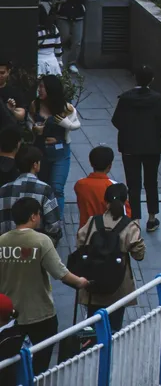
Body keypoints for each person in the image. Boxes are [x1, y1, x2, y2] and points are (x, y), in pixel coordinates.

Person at [0, 197, 90, 375]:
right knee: (40, 367)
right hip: (40, 315)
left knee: (8, 366)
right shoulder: (41, 241)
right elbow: (61, 273)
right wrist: (81, 282)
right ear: (33, 216)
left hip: (7, 317)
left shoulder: (2, 241)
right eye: (39, 214)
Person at [74, 183, 144, 331]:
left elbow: (80, 244)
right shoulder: (130, 226)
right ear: (125, 202)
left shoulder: (93, 222)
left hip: (92, 284)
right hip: (118, 286)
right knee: (114, 328)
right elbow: (139, 255)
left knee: (93, 328)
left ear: (105, 203)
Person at [112, 65, 161, 232]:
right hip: (152, 146)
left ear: (136, 78)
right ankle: (152, 218)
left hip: (130, 146)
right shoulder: (157, 98)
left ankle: (135, 219)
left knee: (133, 184)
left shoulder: (126, 98)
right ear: (152, 80)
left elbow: (116, 120)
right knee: (151, 182)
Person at [29, 74, 79, 221]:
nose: (40, 90)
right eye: (39, 86)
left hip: (60, 153)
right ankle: (44, 218)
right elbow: (29, 121)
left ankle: (56, 222)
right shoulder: (35, 105)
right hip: (41, 153)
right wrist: (34, 129)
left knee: (57, 188)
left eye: (43, 87)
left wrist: (65, 124)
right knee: (44, 188)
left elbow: (76, 125)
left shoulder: (65, 107)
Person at [0, 146, 63, 245]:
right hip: (36, 248)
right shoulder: (45, 189)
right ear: (35, 165)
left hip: (7, 248)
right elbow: (54, 226)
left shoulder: (3, 190)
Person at [73, 146, 128, 230]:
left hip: (85, 232)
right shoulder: (115, 187)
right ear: (110, 166)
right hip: (107, 233)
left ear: (91, 163)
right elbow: (126, 214)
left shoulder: (80, 184)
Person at [52, 0, 91, 73]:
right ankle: (59, 60)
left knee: (77, 41)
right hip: (63, 12)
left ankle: (72, 62)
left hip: (78, 13)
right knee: (63, 38)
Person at [0, 63, 29, 134]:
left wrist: (11, 111)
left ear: (8, 72)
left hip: (7, 133)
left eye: (2, 73)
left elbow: (22, 116)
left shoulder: (15, 92)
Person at [35, 5, 62, 77]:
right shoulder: (53, 28)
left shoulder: (33, 30)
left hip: (38, 63)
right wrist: (59, 61)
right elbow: (58, 47)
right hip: (52, 62)